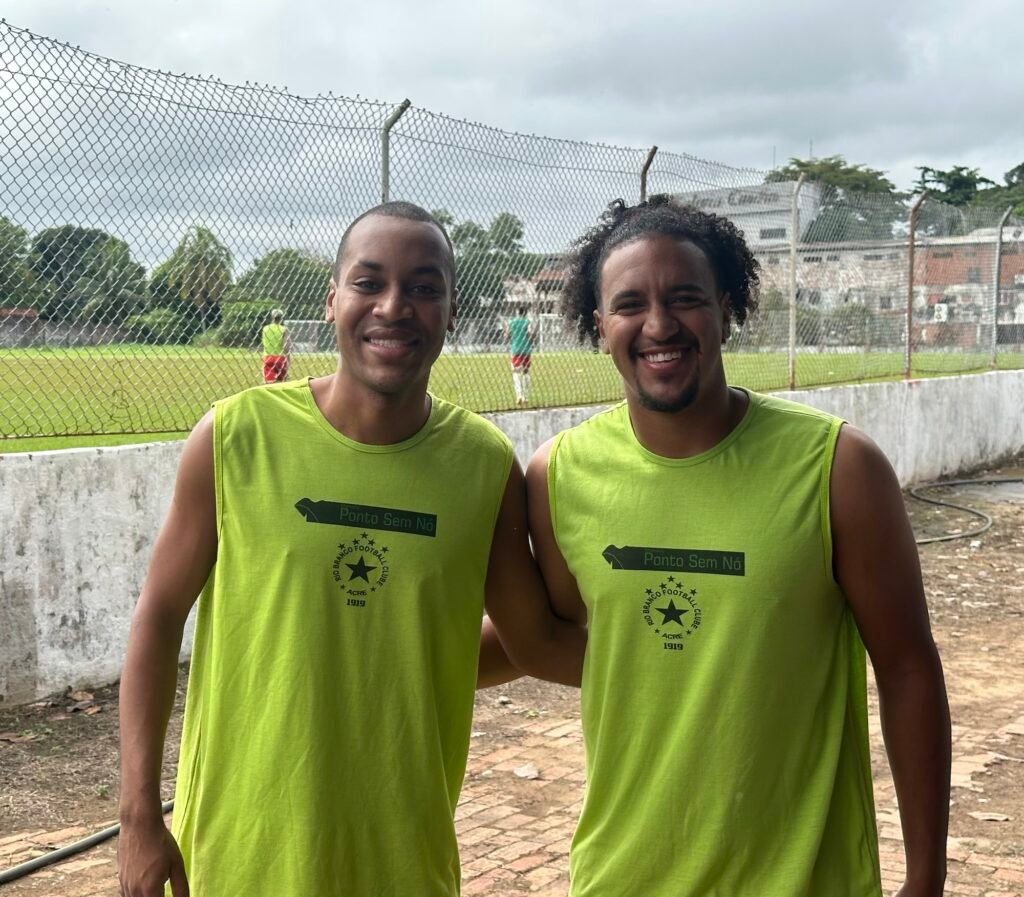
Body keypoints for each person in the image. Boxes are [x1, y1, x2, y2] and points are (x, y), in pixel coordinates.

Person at [117, 201, 584, 897]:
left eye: (425, 288)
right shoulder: (235, 437)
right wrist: (137, 817)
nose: (394, 306)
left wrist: (719, 651)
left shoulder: (482, 466)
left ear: (452, 310)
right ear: (333, 299)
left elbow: (533, 640)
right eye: (369, 283)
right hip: (241, 849)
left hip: (401, 853)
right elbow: (157, 617)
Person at [524, 196, 951, 897]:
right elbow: (565, 638)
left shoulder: (837, 468)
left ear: (726, 309)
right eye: (630, 303)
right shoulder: (557, 477)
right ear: (599, 327)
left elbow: (907, 667)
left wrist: (925, 878)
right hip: (623, 876)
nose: (659, 324)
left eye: (685, 297)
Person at [506, 303, 534, 406]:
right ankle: (526, 396)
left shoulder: (512, 322)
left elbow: (507, 334)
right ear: (526, 313)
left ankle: (519, 396)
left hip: (516, 349)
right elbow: (530, 333)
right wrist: (529, 341)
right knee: (526, 371)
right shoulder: (527, 322)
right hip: (526, 349)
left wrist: (512, 337)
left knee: (515, 372)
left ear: (518, 312)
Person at [260, 308, 290, 383]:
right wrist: (288, 358)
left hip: (268, 357)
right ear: (281, 318)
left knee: (268, 383)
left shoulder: (265, 328)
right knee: (282, 382)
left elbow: (264, 343)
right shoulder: (284, 329)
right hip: (280, 358)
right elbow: (286, 346)